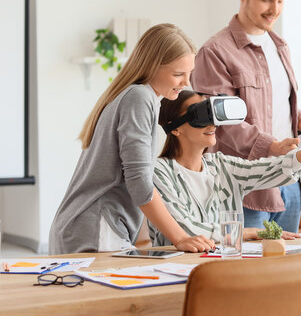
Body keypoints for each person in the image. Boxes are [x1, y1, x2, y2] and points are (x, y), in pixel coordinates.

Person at [49, 24, 215, 254]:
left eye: (189, 74)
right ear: (151, 66)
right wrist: (181, 238)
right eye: (178, 74)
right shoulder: (139, 98)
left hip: (87, 224)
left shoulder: (135, 96)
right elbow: (139, 182)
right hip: (96, 225)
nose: (186, 82)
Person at [191, 0, 301, 233]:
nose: (275, 10)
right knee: (244, 274)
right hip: (246, 191)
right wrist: (272, 146)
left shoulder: (279, 46)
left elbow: (268, 107)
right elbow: (220, 125)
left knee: (287, 273)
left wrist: (299, 119)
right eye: (266, 0)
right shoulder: (215, 52)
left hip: (289, 182)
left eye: (281, 1)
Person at [150, 91, 301, 246]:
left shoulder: (220, 165)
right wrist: (251, 232)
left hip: (223, 266)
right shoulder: (158, 172)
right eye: (200, 115)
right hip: (176, 269)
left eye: (212, 114)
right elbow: (184, 230)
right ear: (174, 128)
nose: (211, 123)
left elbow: (268, 170)